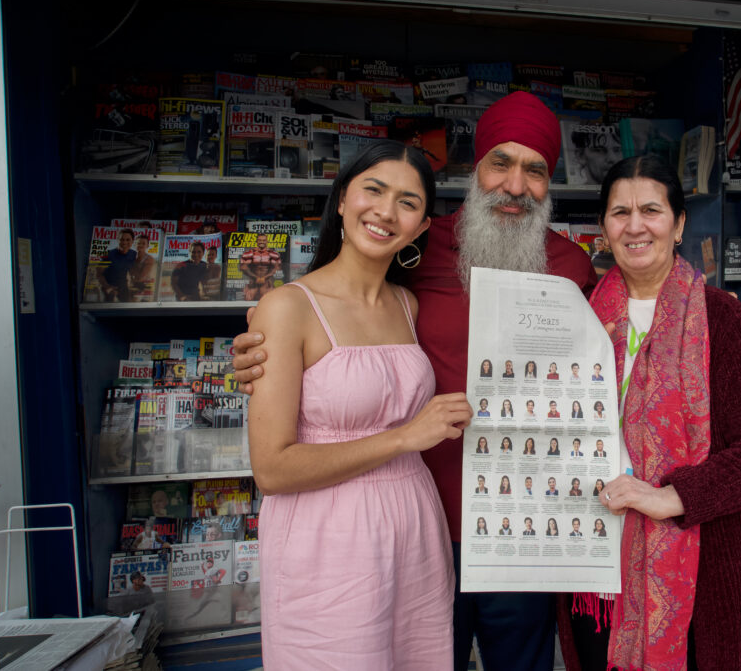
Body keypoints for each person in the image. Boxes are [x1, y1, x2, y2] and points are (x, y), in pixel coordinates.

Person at [233, 91, 597, 671]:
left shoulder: (574, 266)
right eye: (500, 162)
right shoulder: (415, 251)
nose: (514, 184)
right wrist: (260, 348)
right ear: (475, 170)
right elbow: (335, 313)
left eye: (534, 170)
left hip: (521, 526)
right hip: (418, 521)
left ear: (549, 183)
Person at [557, 155, 741, 671]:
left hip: (700, 572)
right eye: (620, 212)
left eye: (651, 210)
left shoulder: (723, 319)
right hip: (597, 566)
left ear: (679, 223)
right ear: (603, 228)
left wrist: (674, 496)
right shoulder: (575, 318)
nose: (635, 225)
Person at [247, 141, 472, 668]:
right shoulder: (286, 308)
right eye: (374, 190)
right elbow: (273, 469)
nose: (386, 212)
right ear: (343, 199)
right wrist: (404, 437)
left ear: (420, 229)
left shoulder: (408, 304)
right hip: (327, 536)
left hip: (414, 526)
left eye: (408, 202)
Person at [240, 233, 283, 301]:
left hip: (266, 284)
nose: (262, 242)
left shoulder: (273, 254)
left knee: (268, 302)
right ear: (256, 241)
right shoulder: (249, 253)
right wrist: (255, 277)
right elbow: (243, 267)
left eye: (264, 240)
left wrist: (264, 278)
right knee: (248, 302)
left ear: (267, 241)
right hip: (253, 283)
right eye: (260, 240)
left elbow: (277, 268)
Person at [98, 228, 136, 301]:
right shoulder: (108, 254)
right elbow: (99, 274)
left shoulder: (134, 254)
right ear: (117, 240)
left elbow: (133, 272)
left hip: (123, 288)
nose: (124, 242)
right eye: (122, 239)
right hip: (108, 287)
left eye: (128, 240)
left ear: (132, 241)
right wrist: (107, 287)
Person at [130, 232, 157, 298]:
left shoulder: (149, 259)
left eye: (143, 243)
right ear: (134, 244)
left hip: (145, 287)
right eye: (138, 243)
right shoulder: (131, 257)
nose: (140, 245)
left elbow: (141, 277)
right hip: (132, 286)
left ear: (147, 245)